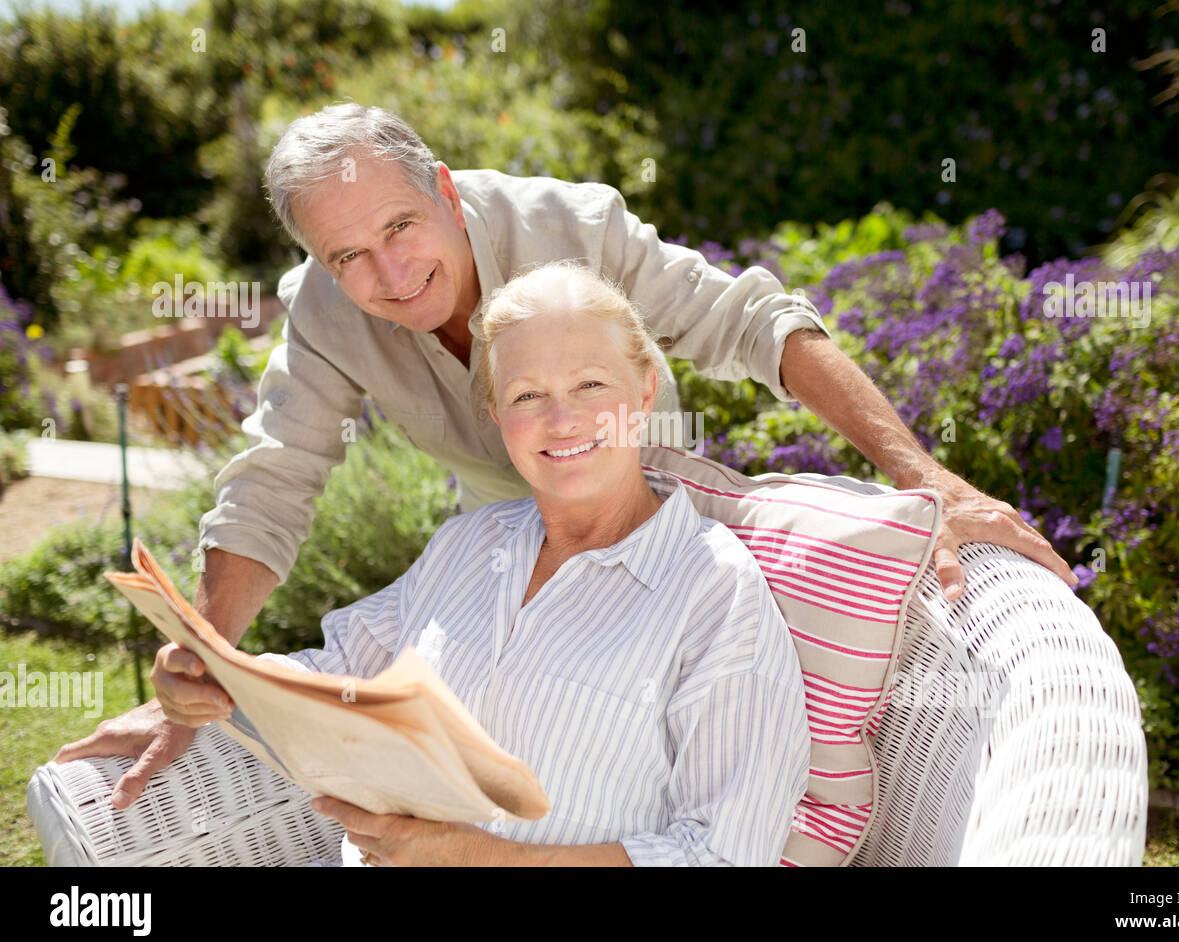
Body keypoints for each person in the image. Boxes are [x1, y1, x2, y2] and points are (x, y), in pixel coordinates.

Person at [55, 103, 1076, 810]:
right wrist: (207, 655)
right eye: (345, 255)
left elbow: (750, 321)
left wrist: (924, 477)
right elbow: (277, 470)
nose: (387, 271)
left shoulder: (568, 226)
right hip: (510, 534)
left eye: (402, 226)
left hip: (646, 500)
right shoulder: (326, 311)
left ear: (446, 191)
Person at [218, 262, 812, 865]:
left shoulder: (712, 590)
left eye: (590, 385)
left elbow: (722, 856)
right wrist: (213, 677)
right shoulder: (468, 546)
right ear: (499, 417)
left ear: (644, 391)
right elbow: (335, 672)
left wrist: (473, 855)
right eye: (528, 395)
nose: (562, 420)